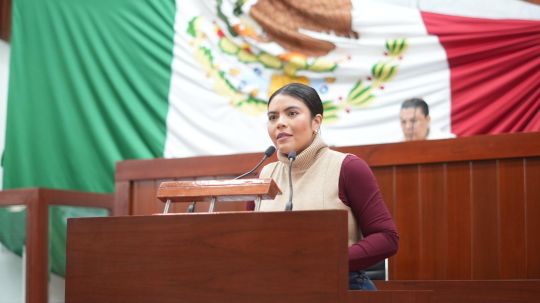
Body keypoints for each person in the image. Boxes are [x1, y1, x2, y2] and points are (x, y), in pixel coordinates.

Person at [251, 83, 399, 290]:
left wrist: (327, 260)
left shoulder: (348, 167)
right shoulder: (264, 175)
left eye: (292, 113)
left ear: (316, 122)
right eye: (273, 117)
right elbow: (249, 241)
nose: (280, 123)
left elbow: (387, 238)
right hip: (277, 288)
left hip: (338, 285)